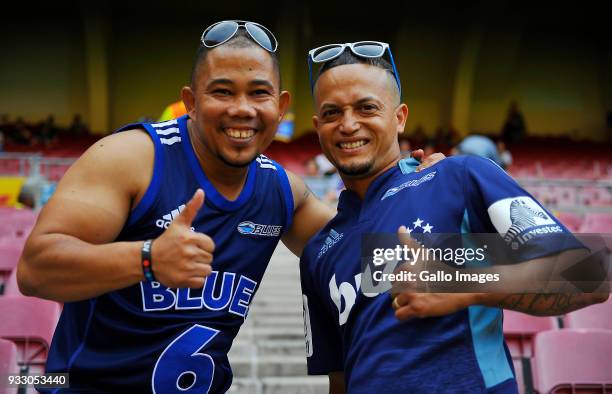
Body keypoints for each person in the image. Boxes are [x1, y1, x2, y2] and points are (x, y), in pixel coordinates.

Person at [18, 22, 442, 393]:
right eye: (222, 91)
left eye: (259, 93)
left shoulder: (279, 192)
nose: (242, 109)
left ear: (281, 107)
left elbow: (361, 252)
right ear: (191, 100)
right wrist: (146, 259)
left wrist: (424, 190)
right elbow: (35, 271)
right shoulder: (133, 158)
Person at [299, 42, 608, 394]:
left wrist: (464, 285)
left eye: (366, 108)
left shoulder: (459, 177)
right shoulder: (318, 251)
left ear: (399, 117)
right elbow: (338, 382)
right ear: (317, 126)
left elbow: (591, 275)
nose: (348, 124)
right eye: (332, 113)